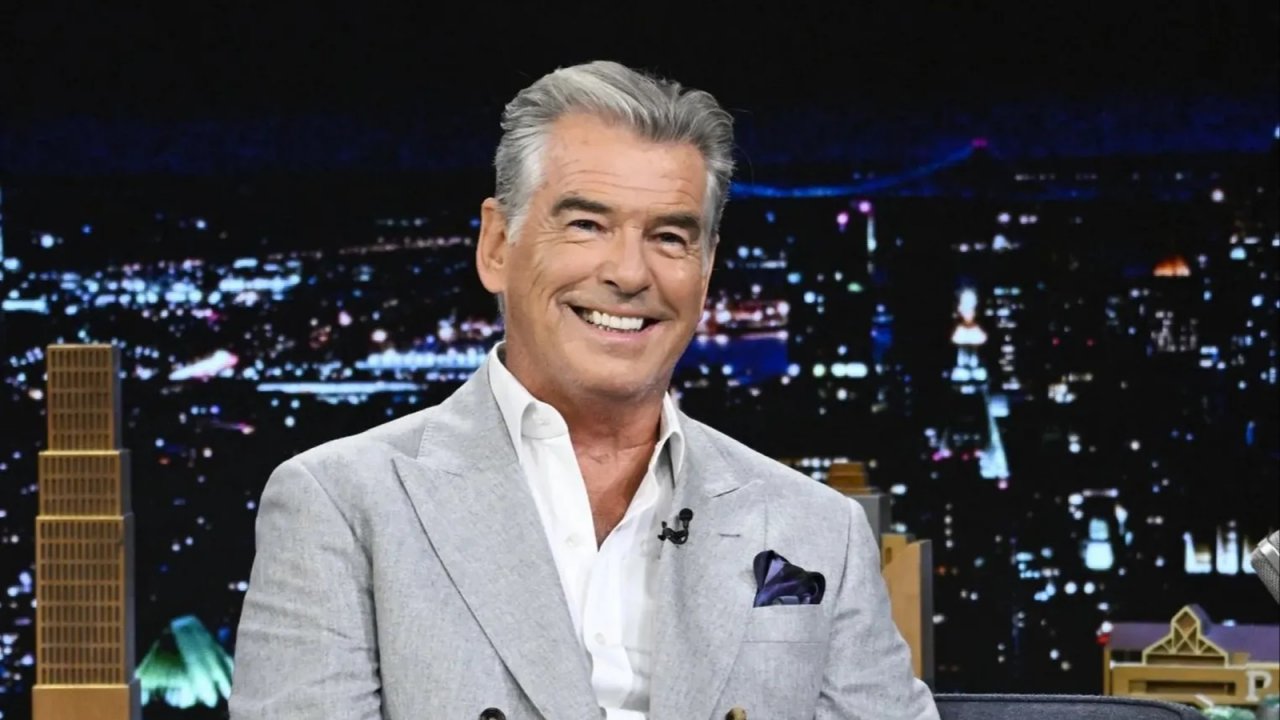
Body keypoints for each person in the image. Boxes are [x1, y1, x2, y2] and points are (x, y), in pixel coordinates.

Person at [230, 60, 939, 720]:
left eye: (670, 237)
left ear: (705, 270)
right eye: (587, 225)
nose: (629, 273)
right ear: (497, 246)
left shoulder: (819, 529)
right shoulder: (342, 505)